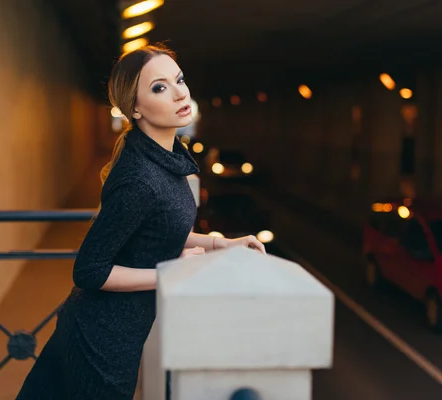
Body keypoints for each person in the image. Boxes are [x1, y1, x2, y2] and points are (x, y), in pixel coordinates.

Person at [16, 43, 266, 400]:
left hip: (111, 333)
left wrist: (219, 243)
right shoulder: (140, 179)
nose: (180, 92)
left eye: (178, 80)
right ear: (134, 108)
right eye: (159, 87)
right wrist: (168, 272)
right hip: (100, 342)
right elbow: (90, 270)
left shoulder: (163, 158)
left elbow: (156, 233)